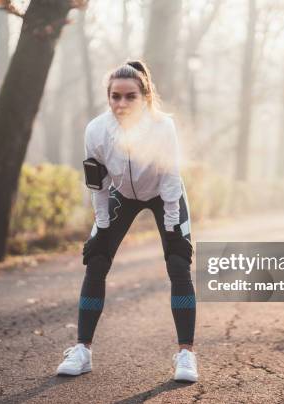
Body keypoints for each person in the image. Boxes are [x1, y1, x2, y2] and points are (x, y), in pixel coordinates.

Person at [56, 61, 198, 382]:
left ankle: (186, 354)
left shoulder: (163, 127)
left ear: (145, 97)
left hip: (164, 193)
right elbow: (98, 183)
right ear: (108, 97)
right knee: (96, 260)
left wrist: (174, 227)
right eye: (114, 96)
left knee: (178, 263)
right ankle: (82, 351)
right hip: (122, 193)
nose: (121, 104)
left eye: (130, 97)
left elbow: (172, 177)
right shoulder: (96, 130)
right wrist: (102, 228)